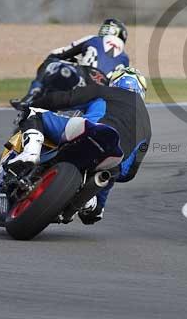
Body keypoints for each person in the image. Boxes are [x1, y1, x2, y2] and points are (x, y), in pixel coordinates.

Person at [9, 67, 150, 225]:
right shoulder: (147, 126)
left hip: (90, 131)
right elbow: (129, 172)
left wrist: (35, 103)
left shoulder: (105, 91)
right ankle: (89, 201)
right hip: (112, 161)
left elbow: (65, 99)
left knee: (33, 112)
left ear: (115, 82)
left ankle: (31, 152)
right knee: (94, 215)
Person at [16, 18, 130, 106]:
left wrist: (70, 61)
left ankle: (32, 95)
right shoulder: (125, 58)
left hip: (85, 77)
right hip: (105, 93)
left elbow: (59, 53)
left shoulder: (93, 39)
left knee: (51, 63)